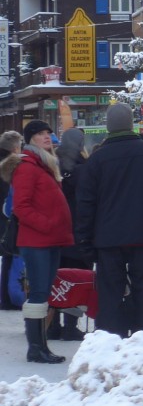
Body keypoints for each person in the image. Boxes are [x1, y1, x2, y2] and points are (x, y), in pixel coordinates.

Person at [74, 104, 143, 343]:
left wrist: (85, 241)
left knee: (110, 293)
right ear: (131, 124)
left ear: (109, 126)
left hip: (108, 239)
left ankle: (111, 343)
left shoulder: (97, 159)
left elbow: (86, 204)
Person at [1, 120, 74, 363]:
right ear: (30, 138)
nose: (46, 137)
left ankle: (41, 346)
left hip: (49, 240)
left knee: (44, 291)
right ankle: (35, 348)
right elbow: (21, 207)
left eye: (48, 133)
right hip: (36, 241)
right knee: (39, 292)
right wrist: (47, 225)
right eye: (41, 133)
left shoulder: (43, 164)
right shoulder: (27, 166)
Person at [47, 127, 91, 341]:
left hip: (55, 233)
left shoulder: (51, 164)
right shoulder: (84, 169)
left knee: (55, 278)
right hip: (78, 233)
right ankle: (70, 326)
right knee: (76, 280)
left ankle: (52, 325)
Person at [0, 130, 25, 311]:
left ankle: (5, 297)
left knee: (7, 259)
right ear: (16, 147)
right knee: (10, 255)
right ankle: (10, 296)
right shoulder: (11, 164)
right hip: (7, 219)